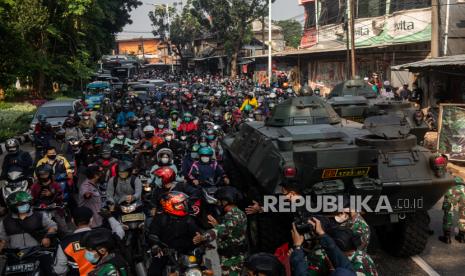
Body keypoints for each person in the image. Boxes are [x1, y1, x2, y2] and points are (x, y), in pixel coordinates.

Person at [53, 206, 125, 276]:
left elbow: (60, 271)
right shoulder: (103, 235)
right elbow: (120, 233)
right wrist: (110, 217)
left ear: (72, 220)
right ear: (91, 220)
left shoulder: (65, 243)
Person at [193, 186, 248, 275]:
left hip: (232, 260)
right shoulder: (233, 214)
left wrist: (203, 237)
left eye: (219, 201)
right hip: (227, 257)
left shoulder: (235, 216)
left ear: (225, 201)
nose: (218, 204)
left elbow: (220, 231)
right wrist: (217, 225)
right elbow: (229, 231)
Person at [0, 191, 57, 275]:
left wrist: (47, 236)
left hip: (37, 253)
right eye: (21, 204)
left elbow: (53, 226)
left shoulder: (39, 216)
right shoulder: (5, 222)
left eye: (26, 202)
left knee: (51, 272)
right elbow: (2, 239)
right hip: (15, 257)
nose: (24, 205)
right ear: (12, 206)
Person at [148, 191, 201, 276]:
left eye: (183, 203)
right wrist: (155, 245)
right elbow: (153, 233)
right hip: (166, 252)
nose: (183, 206)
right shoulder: (161, 218)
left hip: (186, 252)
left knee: (203, 270)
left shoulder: (188, 218)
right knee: (154, 271)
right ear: (170, 205)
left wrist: (200, 239)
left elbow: (196, 233)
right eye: (179, 204)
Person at [30, 164, 68, 234]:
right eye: (41, 175)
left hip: (55, 208)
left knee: (64, 229)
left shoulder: (55, 185)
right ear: (38, 175)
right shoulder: (34, 186)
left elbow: (61, 196)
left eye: (46, 174)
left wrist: (52, 194)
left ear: (50, 174)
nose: (44, 176)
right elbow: (31, 199)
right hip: (41, 210)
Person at [439, 176, 465, 243]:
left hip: (451, 191)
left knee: (448, 214)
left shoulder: (446, 177)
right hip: (463, 191)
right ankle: (462, 237)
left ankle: (447, 238)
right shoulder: (460, 179)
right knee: (463, 214)